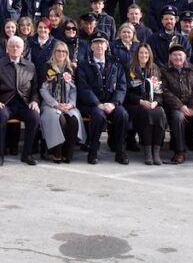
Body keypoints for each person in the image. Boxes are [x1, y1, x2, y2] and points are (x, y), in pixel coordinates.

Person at [76, 32, 130, 165]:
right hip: (92, 104)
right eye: (96, 43)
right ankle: (93, 151)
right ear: (91, 46)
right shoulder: (83, 64)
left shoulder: (116, 63)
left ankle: (120, 151)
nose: (99, 46)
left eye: (102, 43)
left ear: (106, 46)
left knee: (122, 115)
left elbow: (122, 86)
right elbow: (83, 88)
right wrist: (97, 103)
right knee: (98, 116)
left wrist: (114, 103)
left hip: (112, 102)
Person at [0, 36, 41, 166]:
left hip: (24, 103)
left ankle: (27, 154)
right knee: (0, 117)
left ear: (23, 49)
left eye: (18, 46)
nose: (14, 48)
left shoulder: (30, 66)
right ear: (7, 48)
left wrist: (34, 101)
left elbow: (35, 89)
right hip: (5, 103)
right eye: (12, 45)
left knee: (34, 117)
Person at [160, 42, 193, 165]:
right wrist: (180, 106)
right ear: (171, 57)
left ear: (185, 56)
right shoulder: (164, 70)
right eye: (175, 55)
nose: (178, 58)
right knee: (178, 118)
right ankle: (180, 151)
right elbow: (165, 91)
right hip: (176, 106)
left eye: (180, 55)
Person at [40, 41, 86, 163]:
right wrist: (56, 104)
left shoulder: (70, 69)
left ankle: (68, 153)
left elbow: (73, 89)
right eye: (58, 51)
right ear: (54, 52)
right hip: (51, 104)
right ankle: (57, 152)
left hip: (67, 104)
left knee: (74, 119)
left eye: (64, 51)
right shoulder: (47, 67)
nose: (61, 53)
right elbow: (43, 90)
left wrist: (71, 104)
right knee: (59, 119)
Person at [124, 43, 167, 165]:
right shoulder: (129, 69)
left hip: (152, 103)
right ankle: (148, 152)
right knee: (147, 113)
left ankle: (156, 152)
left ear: (150, 55)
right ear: (137, 54)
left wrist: (156, 102)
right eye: (141, 53)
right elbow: (126, 92)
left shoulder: (155, 69)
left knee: (159, 113)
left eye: (146, 53)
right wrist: (140, 101)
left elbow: (159, 91)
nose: (143, 55)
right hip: (135, 104)